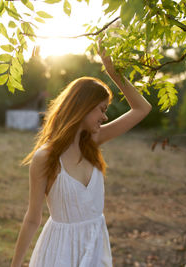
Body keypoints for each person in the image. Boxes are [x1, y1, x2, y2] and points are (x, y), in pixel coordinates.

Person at [10, 40, 152, 267]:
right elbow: (32, 218)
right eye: (101, 109)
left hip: (95, 249)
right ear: (82, 107)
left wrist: (112, 70)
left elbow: (142, 109)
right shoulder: (46, 157)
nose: (105, 117)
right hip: (60, 253)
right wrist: (15, 264)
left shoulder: (94, 141)